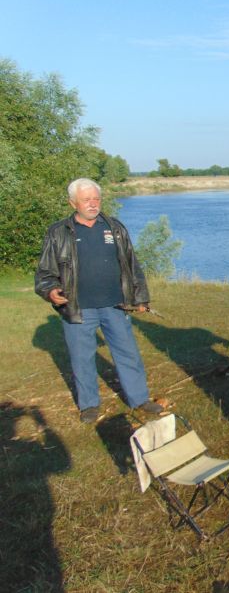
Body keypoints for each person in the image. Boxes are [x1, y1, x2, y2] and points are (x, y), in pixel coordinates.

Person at [34, 178, 163, 423]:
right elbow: (45, 274)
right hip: (78, 308)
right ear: (73, 203)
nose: (93, 204)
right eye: (86, 200)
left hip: (116, 305)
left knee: (128, 353)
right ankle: (89, 405)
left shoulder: (115, 227)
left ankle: (139, 399)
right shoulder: (58, 232)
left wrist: (140, 297)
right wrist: (50, 291)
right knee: (82, 358)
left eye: (96, 199)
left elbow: (131, 264)